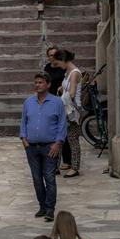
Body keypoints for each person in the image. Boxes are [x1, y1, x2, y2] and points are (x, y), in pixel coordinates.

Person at [19, 72, 66, 222]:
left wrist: (58, 143)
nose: (37, 85)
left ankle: (50, 208)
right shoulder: (28, 102)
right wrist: (24, 141)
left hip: (50, 147)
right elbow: (23, 123)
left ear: (48, 84)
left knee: (49, 178)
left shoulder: (57, 102)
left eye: (41, 82)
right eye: (36, 82)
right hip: (31, 147)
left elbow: (62, 124)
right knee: (37, 179)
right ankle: (42, 206)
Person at [53, 49, 82, 177]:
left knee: (72, 139)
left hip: (72, 110)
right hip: (65, 108)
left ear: (63, 60)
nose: (58, 65)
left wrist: (61, 98)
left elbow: (72, 93)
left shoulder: (74, 73)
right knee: (59, 137)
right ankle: (55, 166)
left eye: (58, 62)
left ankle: (75, 167)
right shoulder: (68, 73)